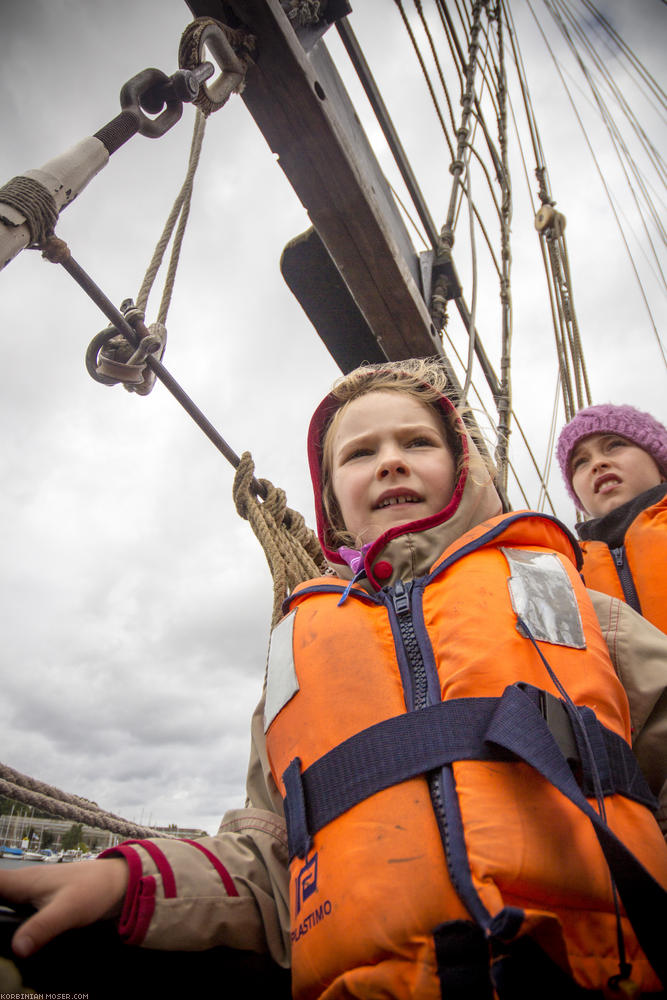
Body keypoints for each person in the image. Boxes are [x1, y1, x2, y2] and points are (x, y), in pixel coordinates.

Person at [1, 360, 666, 998]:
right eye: (358, 453)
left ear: (464, 469)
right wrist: (128, 882)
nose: (391, 460)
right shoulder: (297, 657)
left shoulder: (566, 601)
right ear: (332, 504)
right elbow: (267, 856)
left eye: (417, 441)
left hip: (593, 972)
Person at [557, 403, 667, 633]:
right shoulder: (567, 574)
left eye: (614, 445)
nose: (597, 463)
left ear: (660, 466)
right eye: (581, 462)